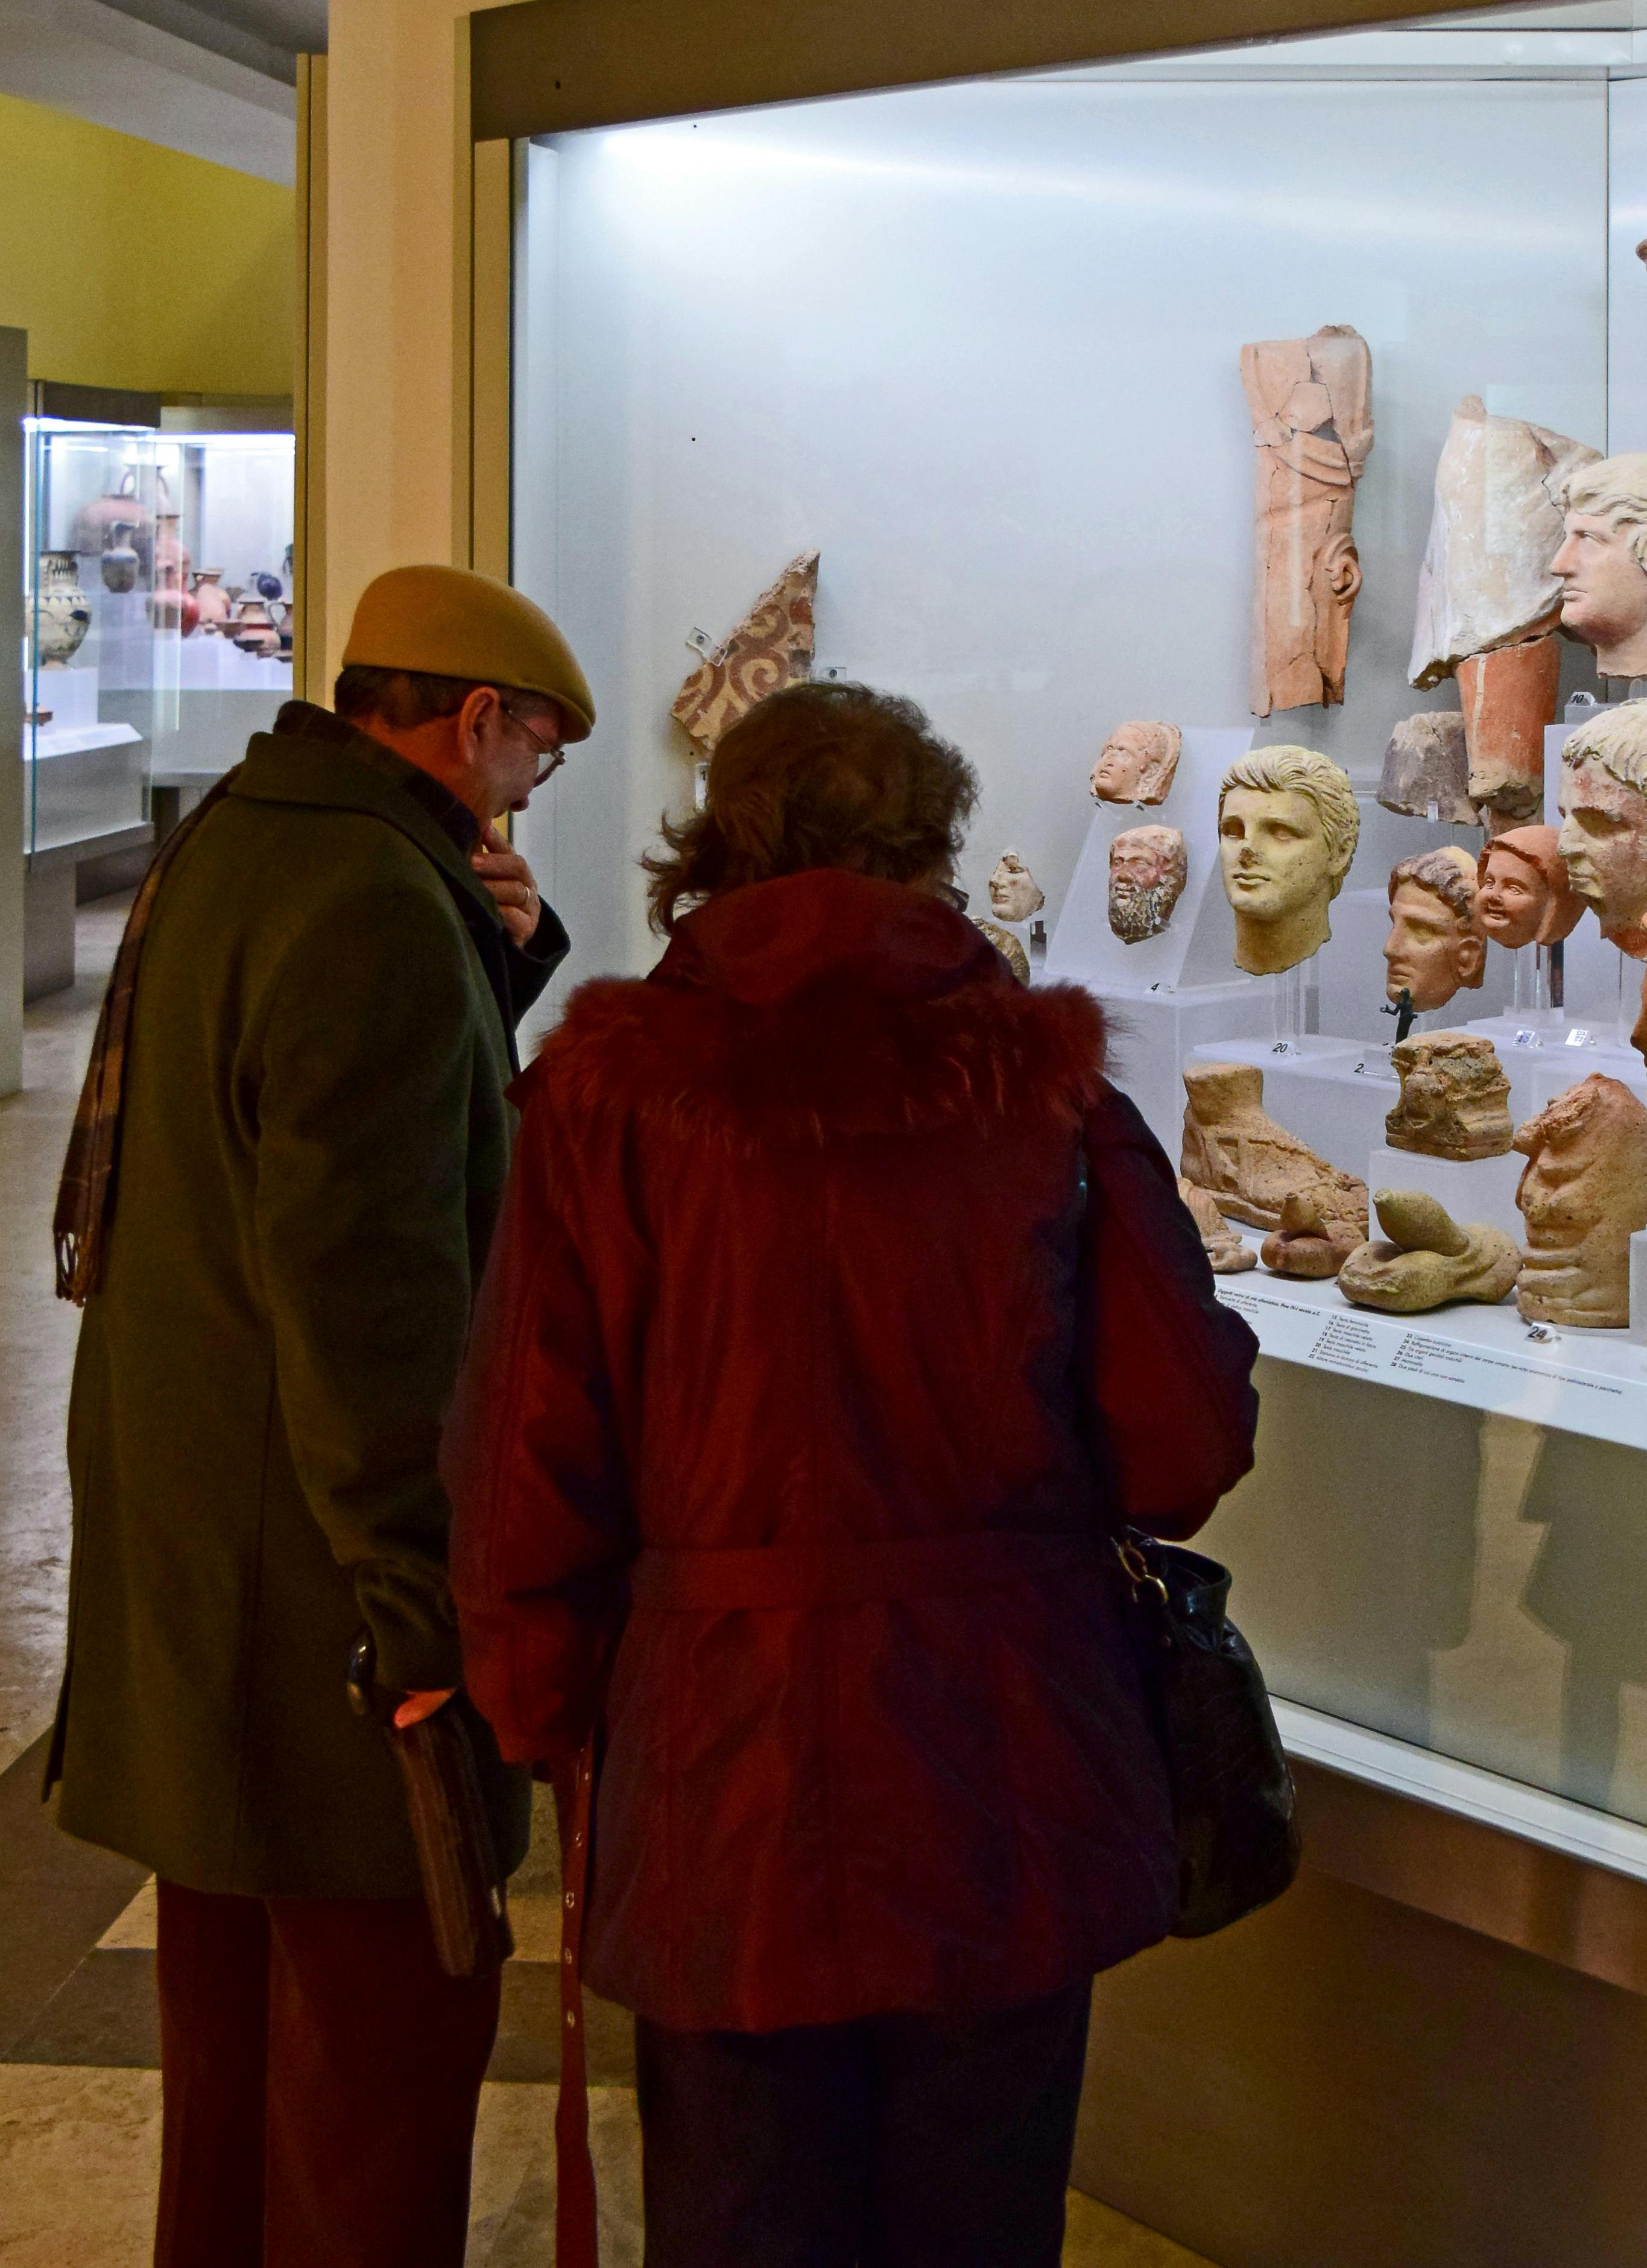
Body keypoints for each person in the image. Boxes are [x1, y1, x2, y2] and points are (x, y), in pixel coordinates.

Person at [443, 681, 1260, 2268]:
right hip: (1007, 1760)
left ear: (713, 854)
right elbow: (1179, 1449)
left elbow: (522, 1455)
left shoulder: (609, 1093)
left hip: (721, 1769)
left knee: (742, 2216)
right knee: (980, 2220)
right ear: (930, 854)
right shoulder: (1045, 1086)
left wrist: (539, 1707)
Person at [47, 563, 596, 2268]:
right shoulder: (369, 895)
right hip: (323, 1598)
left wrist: (495, 954)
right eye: (540, 760)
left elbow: (316, 1133)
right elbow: (373, 1297)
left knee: (233, 2043)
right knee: (376, 2066)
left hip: (205, 1537)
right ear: (477, 721)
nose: (532, 793)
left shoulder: (246, 832)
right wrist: (421, 1613)